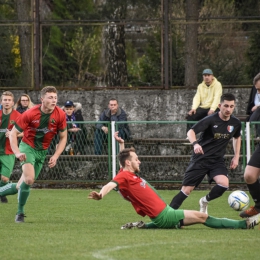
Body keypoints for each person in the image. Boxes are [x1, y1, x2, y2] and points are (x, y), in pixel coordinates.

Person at [88, 132, 260, 230]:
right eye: (136, 159)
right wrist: (101, 194)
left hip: (165, 213)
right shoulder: (123, 176)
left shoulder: (126, 173)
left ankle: (143, 226)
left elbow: (122, 162)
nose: (139, 161)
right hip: (165, 215)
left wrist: (122, 144)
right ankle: (243, 224)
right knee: (203, 216)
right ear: (128, 163)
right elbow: (111, 184)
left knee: (198, 218)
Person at [0, 86, 67, 223]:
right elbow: (13, 134)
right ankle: (20, 213)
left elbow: (63, 137)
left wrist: (55, 156)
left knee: (21, 185)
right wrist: (18, 153)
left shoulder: (60, 114)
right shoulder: (30, 113)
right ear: (42, 99)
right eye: (50, 97)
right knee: (29, 179)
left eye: (55, 97)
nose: (53, 100)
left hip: (42, 152)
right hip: (27, 147)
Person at [170, 93, 241, 214]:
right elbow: (191, 132)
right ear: (219, 105)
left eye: (231, 106)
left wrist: (236, 156)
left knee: (224, 184)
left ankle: (204, 201)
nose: (228, 109)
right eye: (226, 106)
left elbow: (237, 137)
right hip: (201, 159)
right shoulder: (210, 119)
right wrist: (196, 144)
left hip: (217, 161)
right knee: (186, 190)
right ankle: (168, 215)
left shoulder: (235, 123)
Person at [0, 91, 21, 203]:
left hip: (8, 151)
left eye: (9, 100)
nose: (7, 102)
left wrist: (13, 134)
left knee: (5, 178)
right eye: (5, 100)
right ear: (1, 101)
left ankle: (1, 192)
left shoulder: (18, 116)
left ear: (13, 103)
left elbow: (25, 132)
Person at [246, 73, 260, 137]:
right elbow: (251, 102)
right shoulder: (254, 88)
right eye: (257, 89)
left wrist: (258, 106)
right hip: (254, 114)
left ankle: (248, 127)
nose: (258, 92)